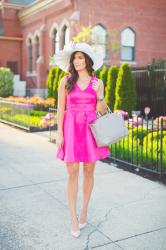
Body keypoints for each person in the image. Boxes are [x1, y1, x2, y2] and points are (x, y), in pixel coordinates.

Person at [53, 42, 110, 238]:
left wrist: (100, 94)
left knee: (88, 171)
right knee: (72, 173)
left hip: (89, 130)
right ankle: (73, 217)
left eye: (80, 57)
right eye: (74, 58)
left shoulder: (97, 81)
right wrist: (59, 132)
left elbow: (102, 110)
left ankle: (84, 209)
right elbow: (61, 109)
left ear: (87, 60)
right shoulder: (65, 81)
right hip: (71, 129)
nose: (77, 61)